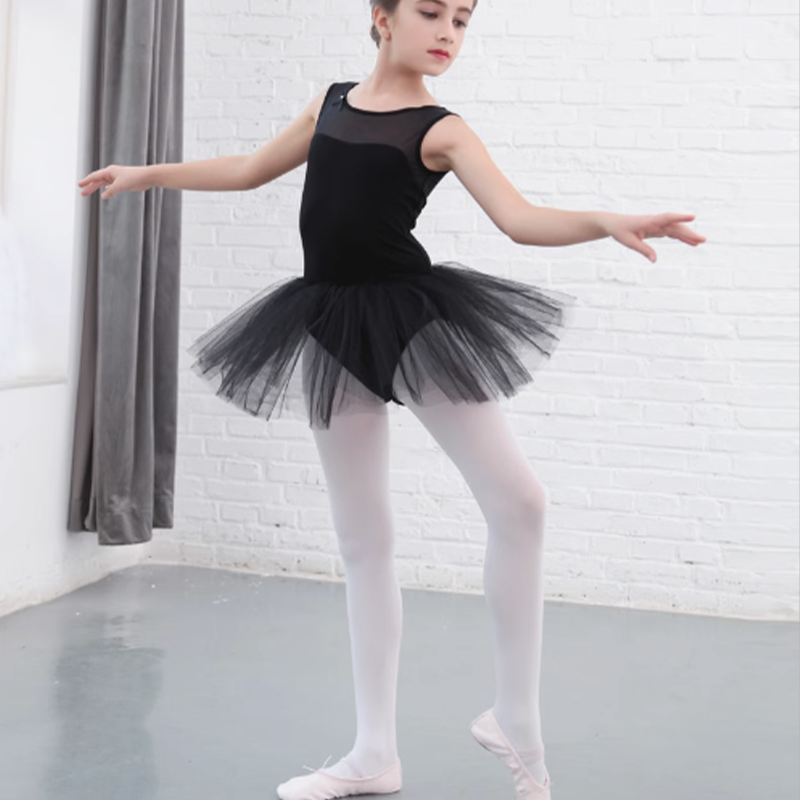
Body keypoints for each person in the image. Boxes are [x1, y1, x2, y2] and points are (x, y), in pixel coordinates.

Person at [79, 1, 706, 797]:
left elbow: (519, 220)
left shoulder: (442, 130)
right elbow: (249, 169)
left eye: (463, 20)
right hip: (326, 323)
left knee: (520, 504)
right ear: (381, 16)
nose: (448, 32)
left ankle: (516, 718)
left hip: (411, 323)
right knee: (363, 541)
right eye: (431, 12)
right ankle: (373, 753)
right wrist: (145, 175)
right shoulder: (330, 102)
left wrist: (604, 220)